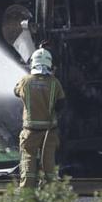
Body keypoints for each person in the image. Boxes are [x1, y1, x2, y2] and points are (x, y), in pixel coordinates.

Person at [14, 48, 66, 188]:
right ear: (49, 64)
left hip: (30, 131)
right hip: (49, 131)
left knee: (28, 158)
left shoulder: (25, 81)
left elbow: (16, 92)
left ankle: (26, 189)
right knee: (49, 161)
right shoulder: (55, 83)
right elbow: (61, 105)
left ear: (33, 63)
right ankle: (52, 190)